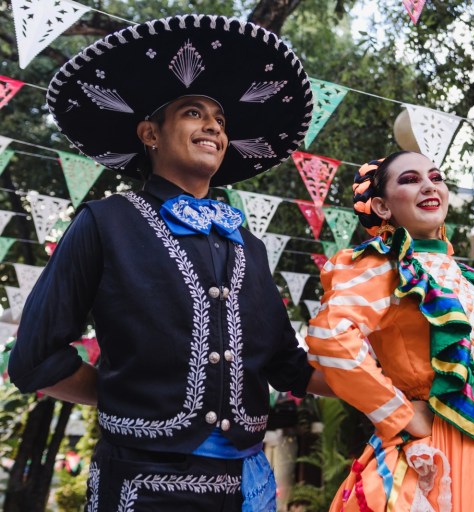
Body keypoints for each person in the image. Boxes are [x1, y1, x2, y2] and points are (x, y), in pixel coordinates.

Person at [8, 14, 331, 511]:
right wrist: (127, 397)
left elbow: (287, 366)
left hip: (248, 489)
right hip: (141, 485)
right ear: (150, 133)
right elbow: (35, 359)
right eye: (193, 113)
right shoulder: (104, 222)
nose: (213, 127)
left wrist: (394, 377)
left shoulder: (250, 245)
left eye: (221, 121)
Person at [305, 151, 474, 511]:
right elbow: (331, 337)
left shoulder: (473, 281)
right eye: (410, 180)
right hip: (437, 458)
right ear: (382, 207)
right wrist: (400, 413)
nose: (429, 186)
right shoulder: (387, 267)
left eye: (436, 177)